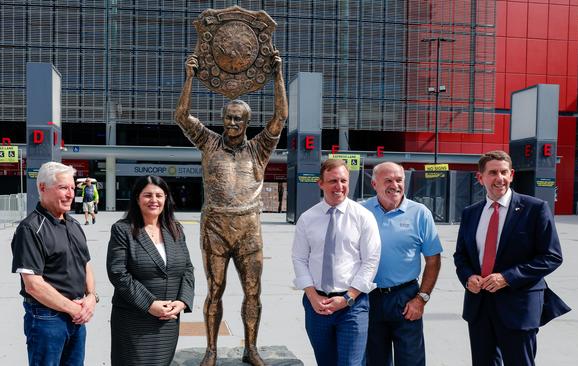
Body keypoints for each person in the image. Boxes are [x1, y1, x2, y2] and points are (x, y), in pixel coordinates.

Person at [175, 50, 287, 366]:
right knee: (215, 290)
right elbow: (182, 117)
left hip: (249, 228)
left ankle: (250, 348)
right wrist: (190, 78)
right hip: (216, 228)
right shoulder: (209, 142)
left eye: (238, 118)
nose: (232, 122)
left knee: (253, 292)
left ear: (248, 122)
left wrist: (277, 76)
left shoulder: (260, 148)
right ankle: (211, 350)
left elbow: (280, 118)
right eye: (228, 117)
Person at [453, 150, 570, 365]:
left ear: (512, 174)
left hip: (519, 306)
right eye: (493, 173)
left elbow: (551, 256)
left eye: (504, 172)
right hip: (479, 307)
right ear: (480, 178)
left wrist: (507, 277)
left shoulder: (535, 209)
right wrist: (468, 277)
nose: (500, 178)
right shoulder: (471, 213)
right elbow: (461, 256)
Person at [291, 159, 381, 366]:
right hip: (317, 305)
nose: (339, 186)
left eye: (343, 180)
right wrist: (312, 296)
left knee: (351, 363)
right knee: (325, 362)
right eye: (332, 181)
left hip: (352, 305)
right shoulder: (307, 218)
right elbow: (299, 258)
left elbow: (371, 261)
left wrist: (348, 298)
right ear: (320, 183)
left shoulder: (363, 217)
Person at [11, 161, 97, 366]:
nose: (70, 194)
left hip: (76, 318)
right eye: (63, 188)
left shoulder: (74, 224)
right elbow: (33, 285)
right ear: (42, 187)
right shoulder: (30, 229)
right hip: (47, 320)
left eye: (72, 188)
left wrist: (92, 297)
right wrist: (74, 309)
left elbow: (85, 264)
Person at [106, 176, 194, 366]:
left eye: (159, 195)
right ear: (137, 199)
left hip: (168, 321)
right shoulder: (123, 230)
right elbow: (118, 273)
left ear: (166, 199)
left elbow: (187, 268)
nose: (154, 200)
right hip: (135, 322)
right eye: (147, 195)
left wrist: (182, 301)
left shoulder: (175, 229)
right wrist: (149, 304)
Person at [362, 162, 442, 365]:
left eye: (399, 180)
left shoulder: (420, 213)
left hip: (406, 298)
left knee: (411, 361)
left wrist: (421, 299)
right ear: (374, 183)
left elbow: (433, 260)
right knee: (374, 360)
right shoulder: (361, 212)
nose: (394, 185)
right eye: (387, 180)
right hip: (369, 297)